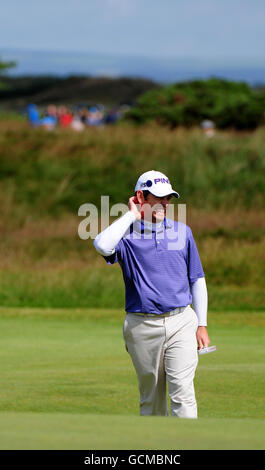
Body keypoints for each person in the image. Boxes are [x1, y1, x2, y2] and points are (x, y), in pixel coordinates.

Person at [93, 170, 210, 418]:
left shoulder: (183, 232)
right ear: (141, 196)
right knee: (151, 401)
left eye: (168, 198)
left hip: (181, 321)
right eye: (159, 198)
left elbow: (196, 279)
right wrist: (131, 215)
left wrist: (202, 324)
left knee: (183, 393)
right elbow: (102, 244)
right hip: (141, 325)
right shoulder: (125, 236)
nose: (165, 203)